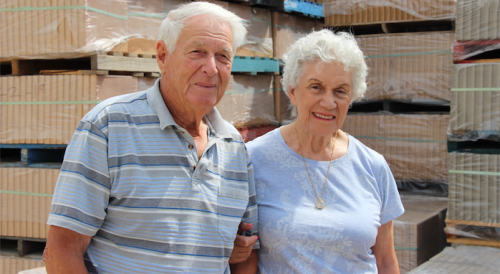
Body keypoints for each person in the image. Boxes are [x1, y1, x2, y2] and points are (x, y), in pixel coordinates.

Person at [43, 2, 258, 273]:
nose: (211, 68)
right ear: (162, 56)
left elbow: (247, 254)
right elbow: (63, 250)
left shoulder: (234, 145)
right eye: (197, 52)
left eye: (223, 56)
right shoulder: (109, 126)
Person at [243, 30, 405, 273]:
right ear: (293, 91)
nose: (329, 103)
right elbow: (244, 256)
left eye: (340, 91)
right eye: (316, 87)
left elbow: (386, 261)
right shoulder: (252, 160)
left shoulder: (373, 166)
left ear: (351, 97)